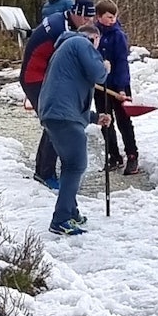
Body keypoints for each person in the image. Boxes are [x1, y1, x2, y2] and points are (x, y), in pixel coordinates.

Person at [38, 23, 111, 235]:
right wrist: (104, 66)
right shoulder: (80, 42)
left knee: (71, 164)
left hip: (55, 114)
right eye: (96, 45)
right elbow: (99, 75)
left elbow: (69, 98)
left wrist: (95, 117)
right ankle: (60, 219)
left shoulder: (66, 49)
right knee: (75, 165)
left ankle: (71, 212)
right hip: (62, 116)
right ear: (94, 39)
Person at [19, 0, 97, 190]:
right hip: (34, 77)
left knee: (53, 122)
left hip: (43, 75)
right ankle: (45, 173)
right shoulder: (61, 29)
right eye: (86, 19)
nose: (89, 23)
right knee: (55, 120)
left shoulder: (62, 18)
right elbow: (68, 60)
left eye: (91, 19)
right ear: (77, 13)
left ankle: (43, 168)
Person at [94, 0, 140, 175]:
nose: (112, 20)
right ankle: (113, 156)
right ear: (99, 17)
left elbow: (122, 62)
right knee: (105, 121)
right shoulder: (93, 33)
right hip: (99, 85)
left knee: (123, 121)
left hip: (118, 85)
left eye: (114, 17)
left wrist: (121, 88)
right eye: (108, 17)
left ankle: (132, 156)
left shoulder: (118, 35)